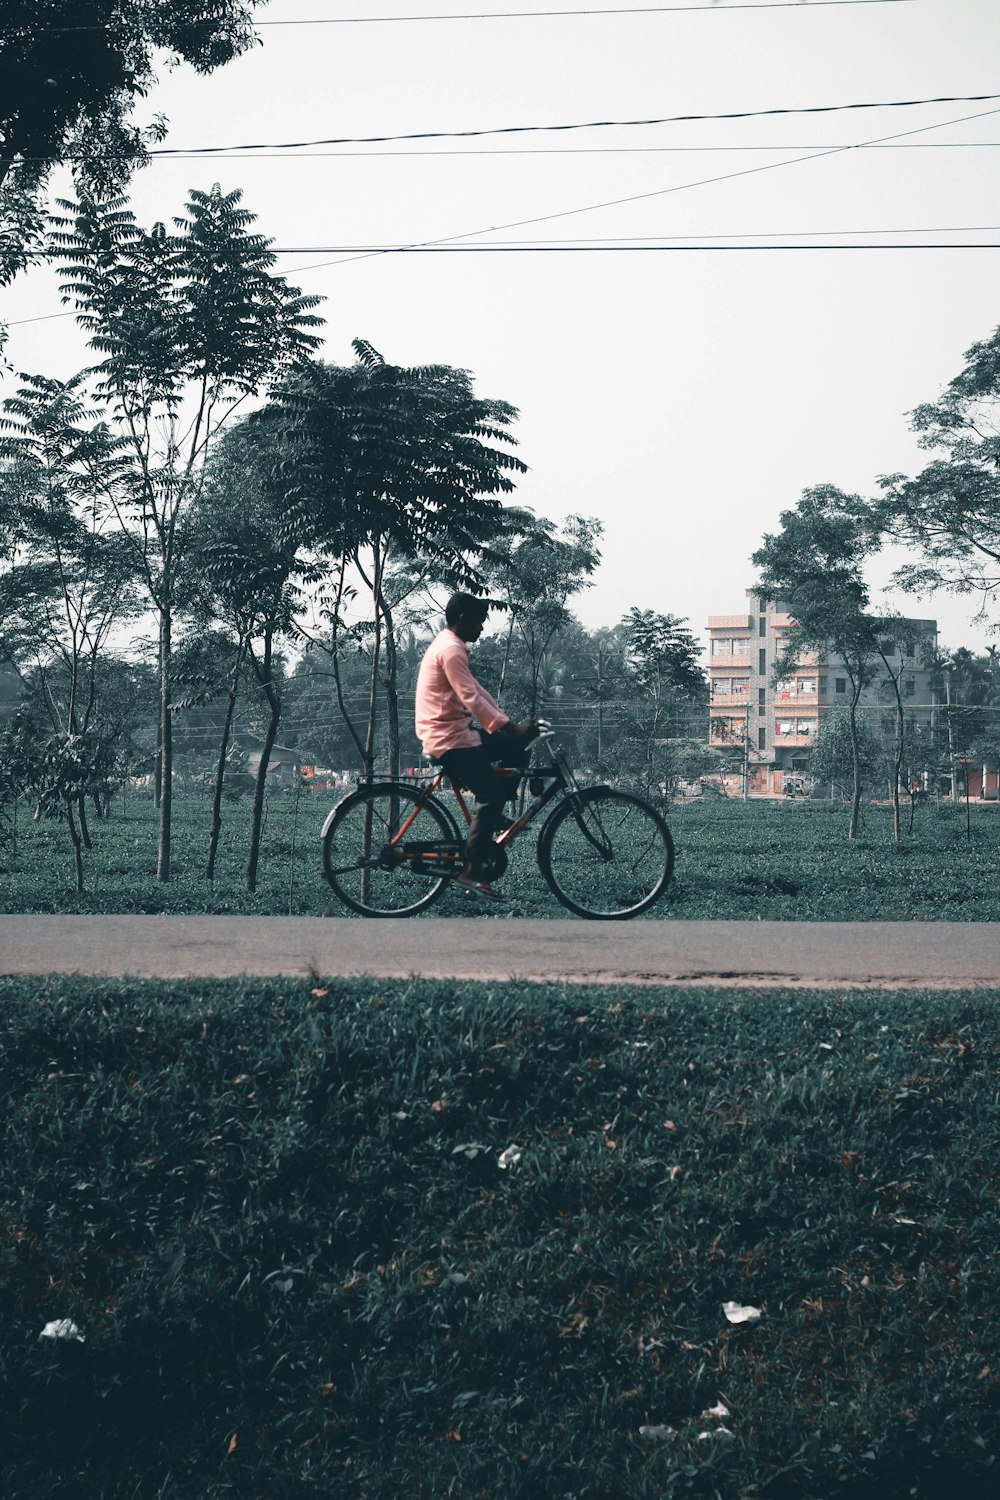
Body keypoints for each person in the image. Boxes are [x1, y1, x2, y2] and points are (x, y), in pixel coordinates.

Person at [415, 592, 539, 899]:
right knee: (490, 796)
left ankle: (494, 815)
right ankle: (470, 872)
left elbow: (477, 692)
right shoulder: (451, 650)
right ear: (462, 619)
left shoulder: (452, 646)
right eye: (479, 621)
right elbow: (470, 699)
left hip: (456, 730)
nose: (482, 628)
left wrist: (512, 728)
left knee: (516, 746)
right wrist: (510, 725)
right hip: (448, 737)